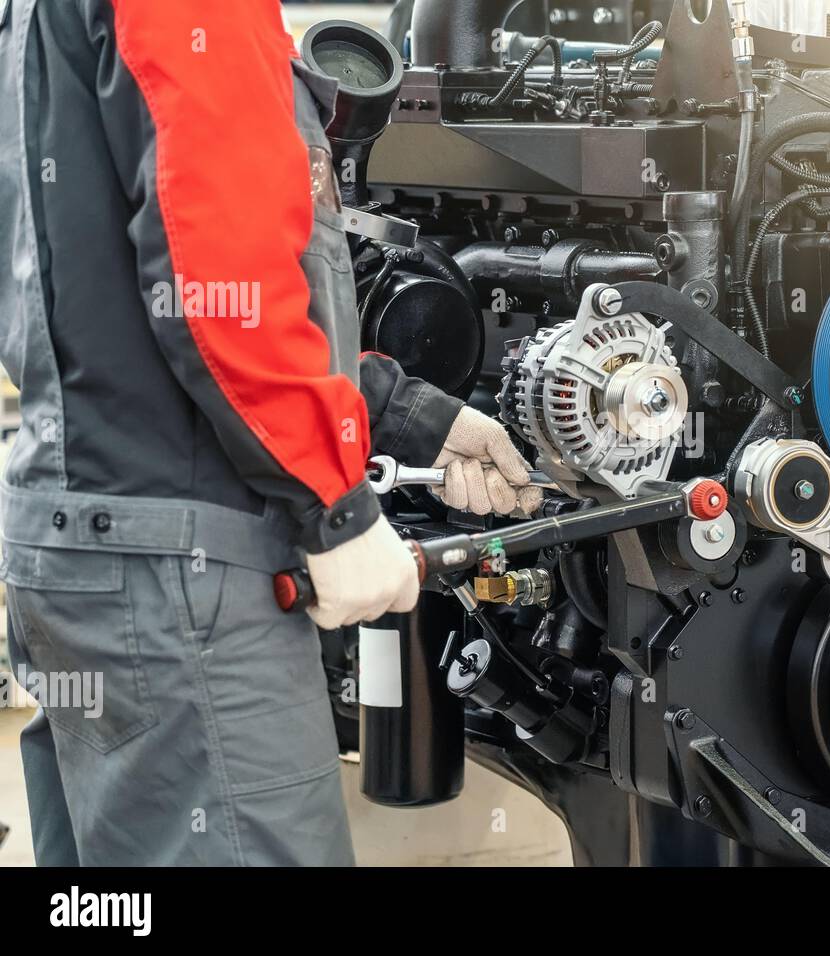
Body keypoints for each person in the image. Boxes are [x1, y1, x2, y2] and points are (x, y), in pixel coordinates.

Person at [0, 0, 537, 865]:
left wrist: (403, 416)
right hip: (186, 579)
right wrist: (338, 512)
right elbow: (218, 278)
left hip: (83, 552)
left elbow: (126, 301)